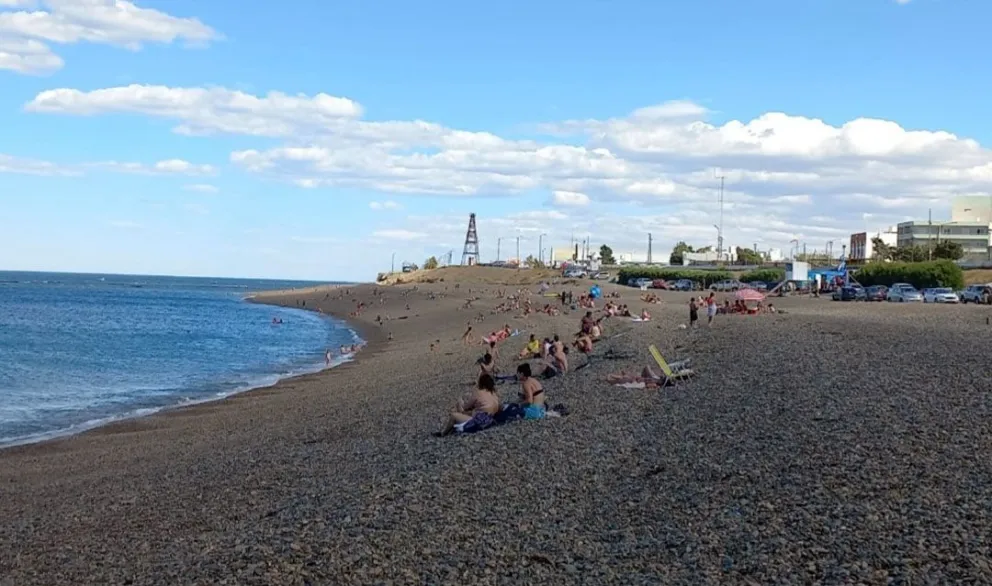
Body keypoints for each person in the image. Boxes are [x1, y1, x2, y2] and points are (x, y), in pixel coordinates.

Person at [435, 373, 502, 436]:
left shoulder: (479, 393)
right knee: (470, 412)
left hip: (480, 421)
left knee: (454, 415)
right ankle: (454, 426)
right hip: (490, 418)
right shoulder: (494, 394)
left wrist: (460, 403)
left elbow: (466, 407)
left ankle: (443, 433)